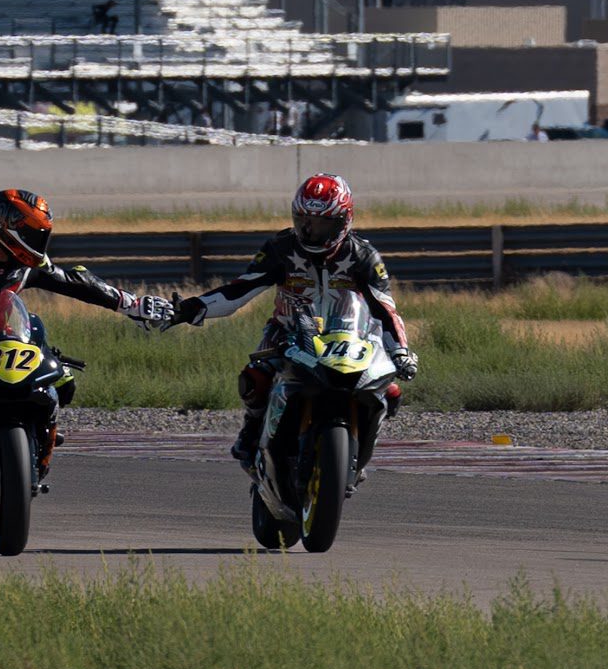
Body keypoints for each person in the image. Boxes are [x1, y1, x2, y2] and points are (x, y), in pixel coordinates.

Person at [0, 189, 173, 497]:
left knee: (63, 383)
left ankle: (38, 440)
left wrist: (133, 305)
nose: (38, 242)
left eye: (40, 235)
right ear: (7, 227)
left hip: (5, 341)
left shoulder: (28, 263)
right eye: (32, 233)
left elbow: (76, 283)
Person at [164, 173, 418, 490]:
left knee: (391, 392)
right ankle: (251, 432)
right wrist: (192, 308)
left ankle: (354, 456)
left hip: (351, 337)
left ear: (344, 220)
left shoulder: (364, 256)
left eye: (322, 224)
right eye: (304, 221)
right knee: (255, 379)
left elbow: (384, 307)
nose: (311, 231)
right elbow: (240, 290)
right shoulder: (281, 248)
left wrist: (401, 351)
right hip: (287, 331)